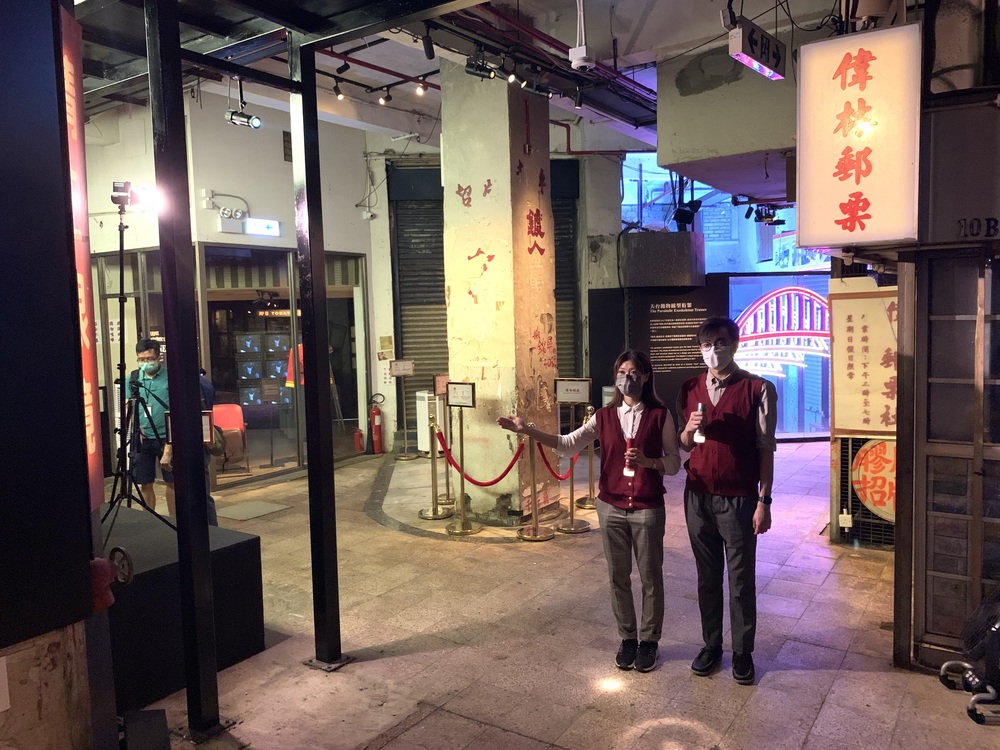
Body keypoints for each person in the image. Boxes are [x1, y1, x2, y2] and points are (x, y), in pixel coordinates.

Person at [497, 350, 680, 672]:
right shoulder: (604, 417)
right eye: (622, 371)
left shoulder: (660, 415)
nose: (628, 377)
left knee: (651, 577)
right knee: (617, 577)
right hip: (610, 506)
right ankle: (628, 638)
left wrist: (650, 463)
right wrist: (528, 430)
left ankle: (649, 641)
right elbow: (567, 444)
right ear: (615, 377)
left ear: (647, 376)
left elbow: (675, 464)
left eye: (635, 371)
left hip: (648, 507)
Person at [676, 316, 777, 686]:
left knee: (739, 579)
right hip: (698, 495)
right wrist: (690, 431)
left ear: (734, 345)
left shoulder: (757, 388)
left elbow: (766, 449)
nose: (712, 350)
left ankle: (743, 651)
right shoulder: (688, 388)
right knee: (706, 577)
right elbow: (684, 444)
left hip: (739, 498)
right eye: (705, 344)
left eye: (719, 343)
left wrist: (764, 500)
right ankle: (711, 645)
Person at [129, 338, 174, 515]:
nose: (145, 363)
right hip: (144, 438)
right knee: (145, 483)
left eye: (149, 359)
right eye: (141, 359)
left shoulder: (170, 377)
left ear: (158, 357)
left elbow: (176, 412)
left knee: (171, 482)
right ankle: (150, 518)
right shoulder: (133, 378)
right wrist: (135, 428)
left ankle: (175, 522)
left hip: (166, 437)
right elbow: (129, 405)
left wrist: (169, 449)